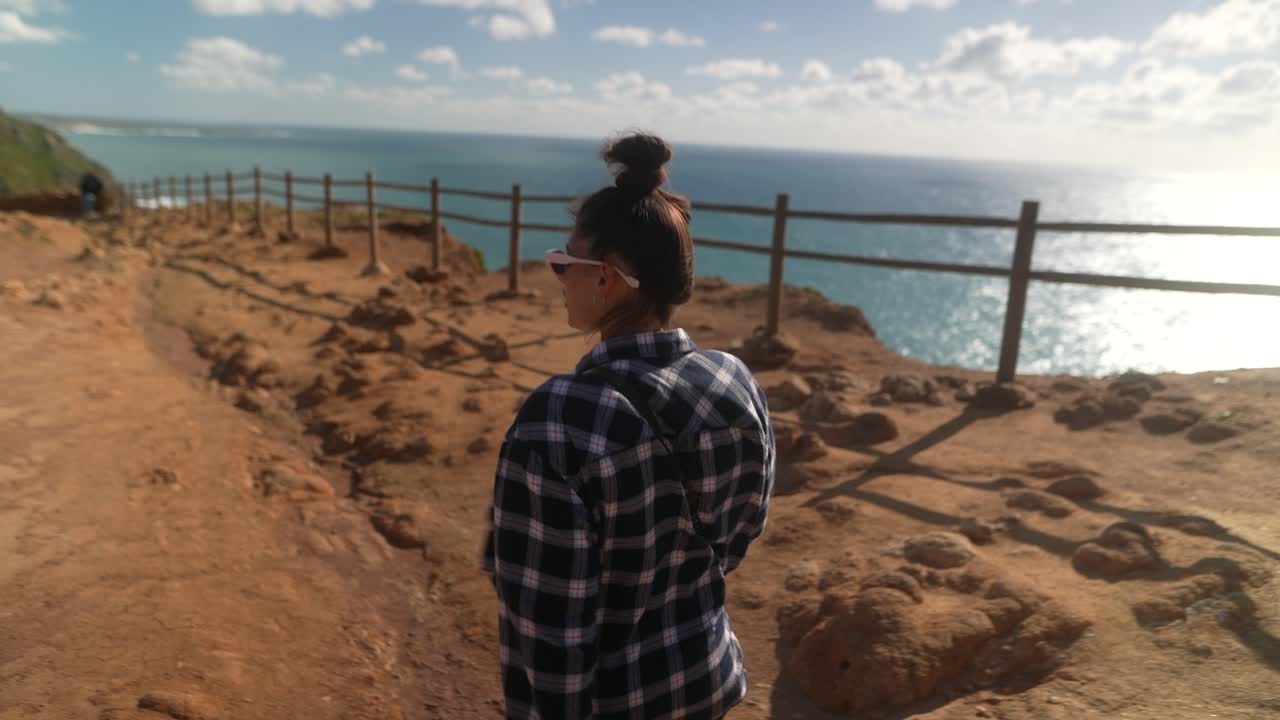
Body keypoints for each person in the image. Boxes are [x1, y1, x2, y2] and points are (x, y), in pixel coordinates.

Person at [483, 133, 775, 720]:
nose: (558, 275)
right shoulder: (734, 380)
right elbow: (741, 533)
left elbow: (547, 626)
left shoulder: (558, 419)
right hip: (705, 679)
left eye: (565, 262)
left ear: (608, 278)